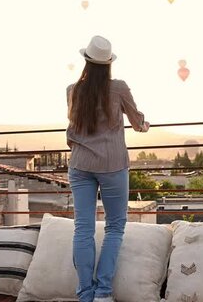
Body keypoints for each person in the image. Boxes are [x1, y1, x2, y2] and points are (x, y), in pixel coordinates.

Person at [66, 35, 149, 302]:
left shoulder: (72, 90)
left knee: (83, 228)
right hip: (112, 164)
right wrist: (144, 125)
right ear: (108, 63)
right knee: (114, 227)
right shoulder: (119, 88)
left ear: (86, 62)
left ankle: (84, 294)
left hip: (80, 165)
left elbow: (76, 123)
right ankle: (103, 292)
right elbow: (137, 122)